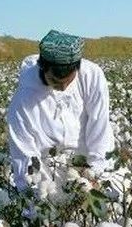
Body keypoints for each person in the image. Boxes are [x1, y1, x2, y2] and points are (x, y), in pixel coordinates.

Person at [6, 30, 114, 191]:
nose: (63, 88)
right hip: (47, 171)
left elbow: (99, 126)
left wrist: (96, 174)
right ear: (42, 67)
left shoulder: (91, 76)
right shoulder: (23, 99)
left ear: (77, 67)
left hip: (87, 164)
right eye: (55, 81)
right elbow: (24, 153)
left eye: (68, 81)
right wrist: (37, 192)